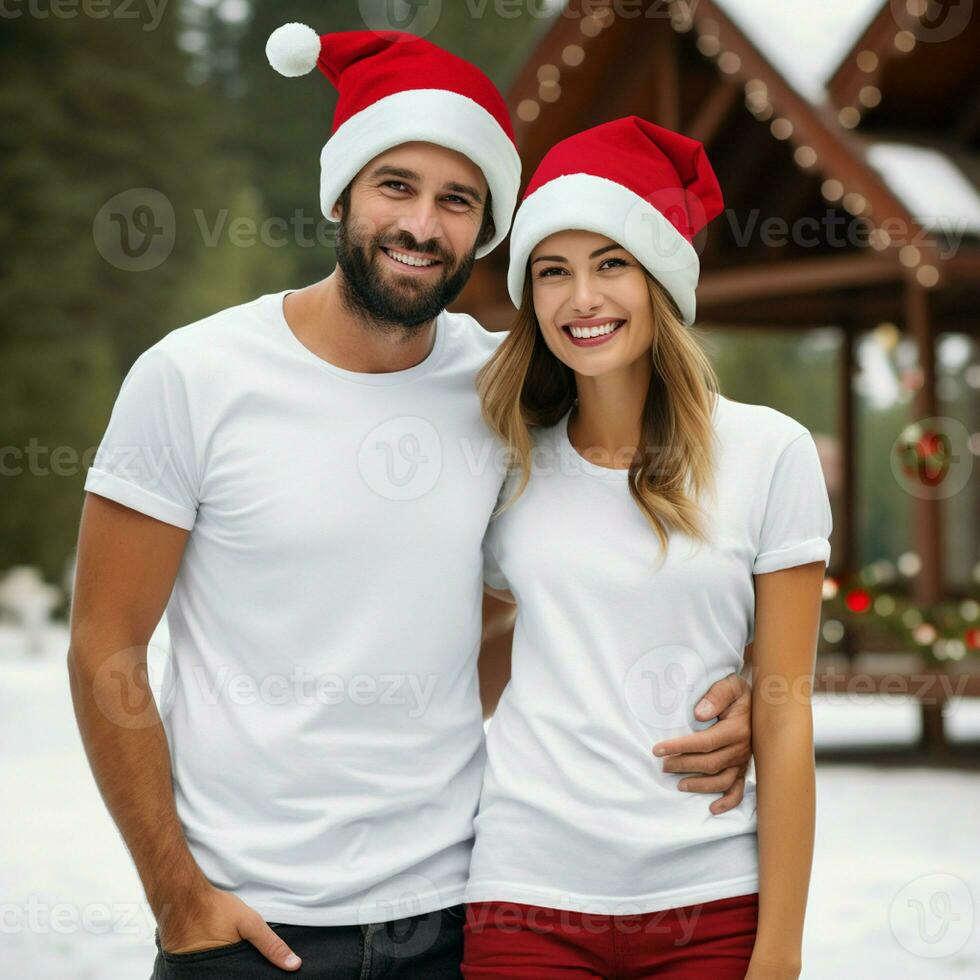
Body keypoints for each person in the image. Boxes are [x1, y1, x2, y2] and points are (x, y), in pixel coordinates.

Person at [66, 24, 754, 979]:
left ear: (486, 227)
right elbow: (106, 643)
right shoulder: (193, 377)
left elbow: (619, 556)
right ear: (343, 192)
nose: (424, 226)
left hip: (460, 910)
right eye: (397, 186)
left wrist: (743, 691)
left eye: (458, 201)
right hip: (249, 922)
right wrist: (177, 898)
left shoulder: (507, 388)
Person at [461, 117, 832, 979]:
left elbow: (783, 711)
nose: (580, 298)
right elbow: (463, 662)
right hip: (526, 896)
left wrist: (779, 951)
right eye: (552, 271)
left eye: (611, 264)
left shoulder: (770, 453)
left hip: (710, 898)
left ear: (660, 280)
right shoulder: (504, 459)